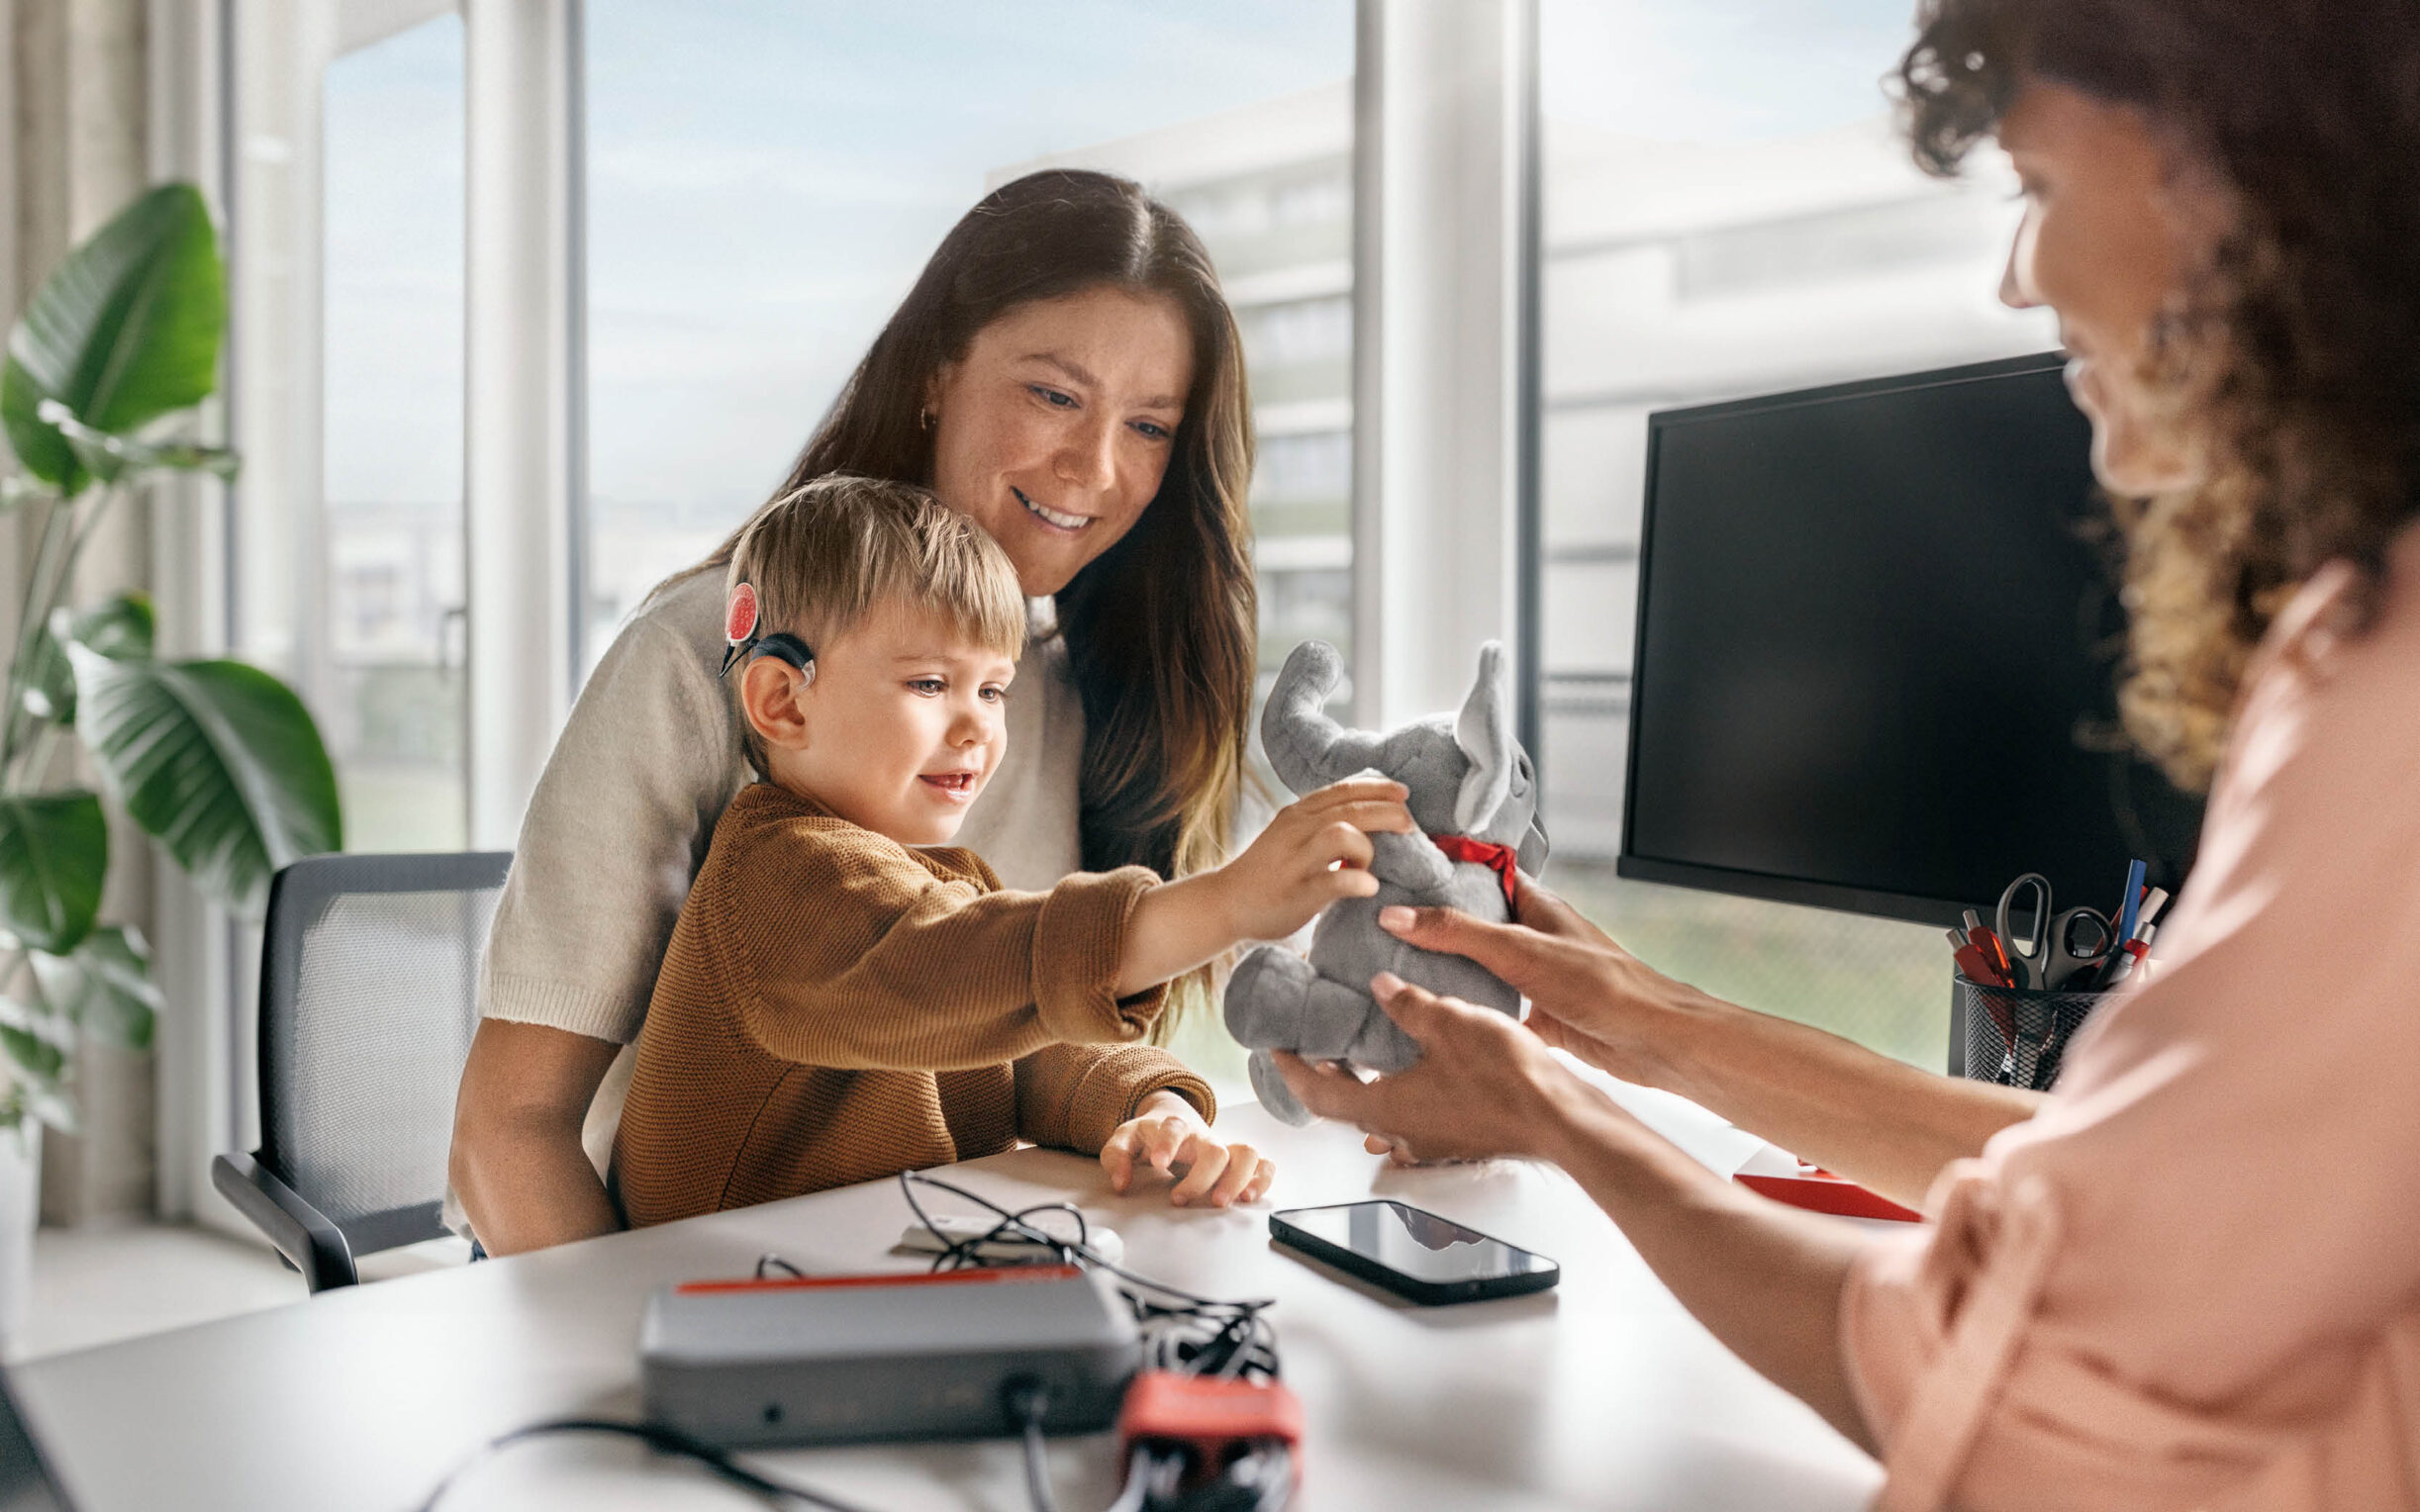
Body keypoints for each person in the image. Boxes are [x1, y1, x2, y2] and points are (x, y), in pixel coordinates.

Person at [1275, 4, 2420, 1508]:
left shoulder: (2383, 689)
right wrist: (1638, 1017)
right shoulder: (2367, 616)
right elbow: (2105, 1193)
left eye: (2037, 188)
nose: (2019, 275)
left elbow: (2016, 1389)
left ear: (2241, 168)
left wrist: (1559, 1118)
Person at [450, 169, 1262, 1255]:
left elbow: (1021, 1040)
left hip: (942, 1271)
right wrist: (646, 1387)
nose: (1096, 467)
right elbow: (508, 1131)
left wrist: (1153, 1103)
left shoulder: (1074, 693)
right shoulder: (704, 654)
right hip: (676, 1289)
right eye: (1055, 396)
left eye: (1152, 426)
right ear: (937, 372)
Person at [616, 475, 1407, 1226]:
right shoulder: (772, 881)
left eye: (991, 689)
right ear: (783, 703)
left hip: (878, 1264)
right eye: (929, 684)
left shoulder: (935, 884)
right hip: (729, 1299)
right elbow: (954, 969)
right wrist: (1228, 902)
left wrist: (1152, 1110)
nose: (976, 727)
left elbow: (1029, 1053)